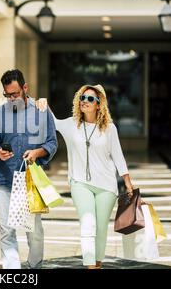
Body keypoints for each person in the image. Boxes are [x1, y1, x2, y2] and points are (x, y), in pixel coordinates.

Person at [37, 84, 135, 269]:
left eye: (90, 99)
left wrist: (128, 183)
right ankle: (90, 266)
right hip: (80, 183)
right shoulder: (71, 124)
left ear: (99, 104)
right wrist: (44, 104)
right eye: (82, 98)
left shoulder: (110, 128)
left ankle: (96, 264)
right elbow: (53, 122)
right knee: (88, 224)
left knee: (100, 229)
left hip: (106, 186)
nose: (85, 101)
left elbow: (118, 156)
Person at [0, 69, 58, 269]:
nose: (11, 99)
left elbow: (52, 143)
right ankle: (13, 271)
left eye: (15, 94)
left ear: (25, 88)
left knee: (34, 231)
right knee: (6, 230)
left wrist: (37, 153)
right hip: (4, 179)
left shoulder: (42, 112)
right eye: (7, 95)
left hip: (30, 180)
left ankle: (34, 266)